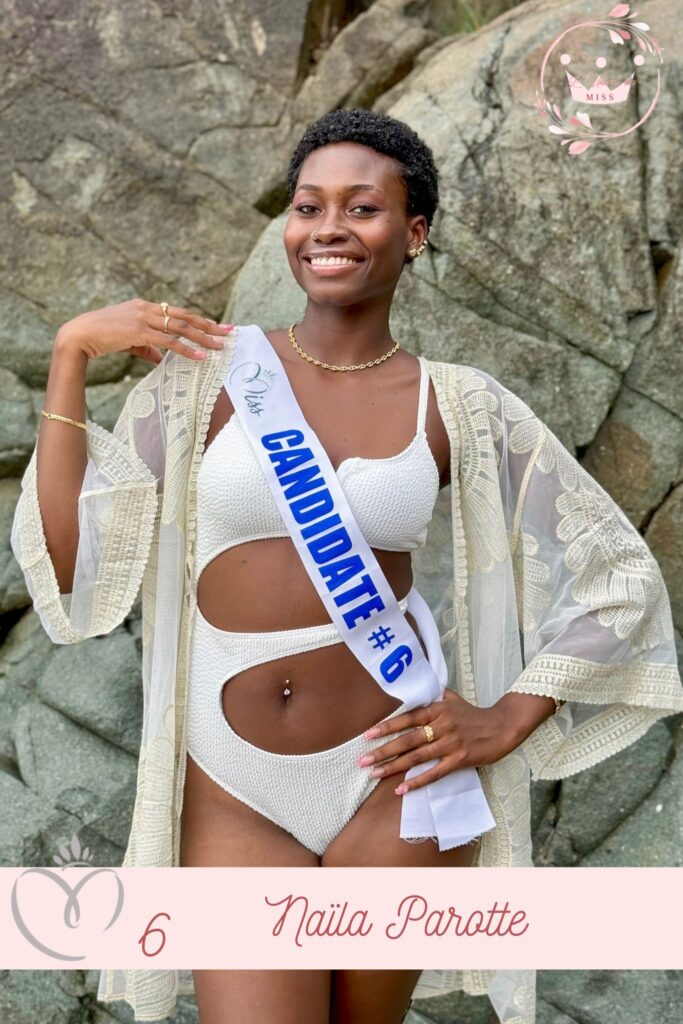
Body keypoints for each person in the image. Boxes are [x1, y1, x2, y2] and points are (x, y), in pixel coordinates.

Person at [10, 108, 683, 1024]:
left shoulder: (461, 404)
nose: (327, 227)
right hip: (233, 787)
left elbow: (618, 577)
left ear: (414, 233)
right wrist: (69, 358)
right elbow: (71, 571)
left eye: (361, 208)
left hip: (395, 786)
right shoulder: (206, 382)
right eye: (307, 206)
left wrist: (506, 718)